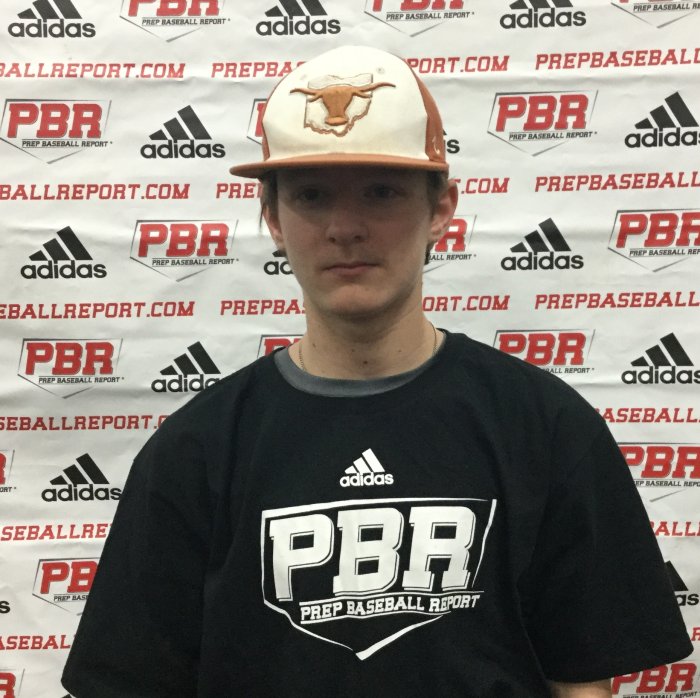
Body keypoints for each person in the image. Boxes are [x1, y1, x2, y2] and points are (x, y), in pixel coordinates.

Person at [62, 45, 692, 697]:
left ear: (441, 209)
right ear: (273, 218)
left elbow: (581, 682)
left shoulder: (546, 426)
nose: (344, 227)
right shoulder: (196, 448)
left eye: (382, 192)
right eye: (311, 196)